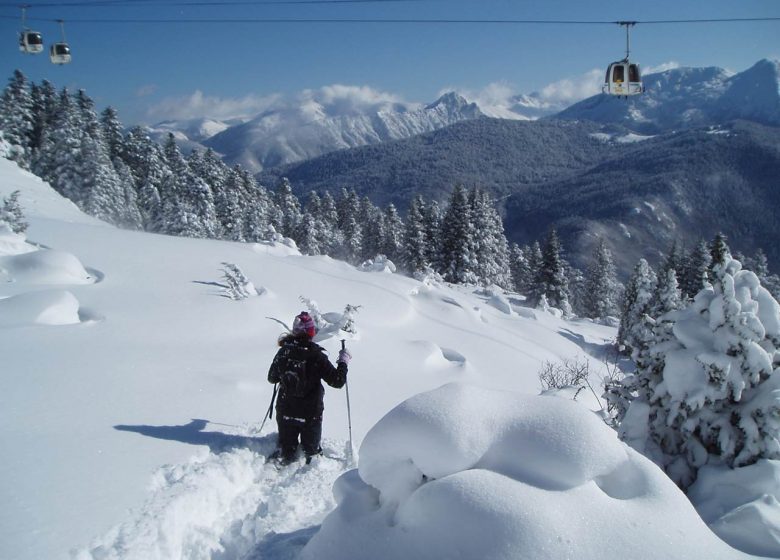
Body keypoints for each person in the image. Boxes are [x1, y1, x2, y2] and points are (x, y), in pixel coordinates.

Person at [268, 311, 351, 465]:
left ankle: (274, 468)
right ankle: (306, 474)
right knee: (311, 454)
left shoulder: (284, 351)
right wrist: (343, 362)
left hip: (285, 411)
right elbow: (337, 381)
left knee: (286, 451)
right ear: (311, 332)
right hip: (310, 414)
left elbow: (271, 378)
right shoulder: (316, 355)